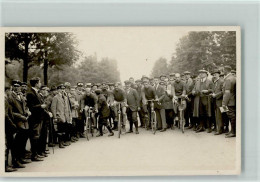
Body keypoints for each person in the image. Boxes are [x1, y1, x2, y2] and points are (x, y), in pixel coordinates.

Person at [26, 77, 46, 162]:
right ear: (36, 83)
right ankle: (34, 155)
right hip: (34, 118)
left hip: (39, 117)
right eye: (39, 82)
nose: (40, 84)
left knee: (37, 136)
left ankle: (36, 153)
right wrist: (40, 106)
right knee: (34, 137)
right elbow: (31, 107)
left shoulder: (35, 92)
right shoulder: (30, 93)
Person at [5, 83, 18, 172]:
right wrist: (12, 124)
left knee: (9, 145)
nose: (11, 91)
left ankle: (9, 164)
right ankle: (6, 166)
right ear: (7, 91)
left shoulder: (6, 99)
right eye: (10, 90)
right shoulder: (5, 99)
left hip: (7, 124)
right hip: (7, 125)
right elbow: (5, 115)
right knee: (8, 146)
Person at [222, 66, 236, 138]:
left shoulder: (228, 79)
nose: (222, 72)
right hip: (232, 100)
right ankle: (232, 131)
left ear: (226, 70)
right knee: (231, 115)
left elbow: (227, 92)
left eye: (223, 70)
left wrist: (224, 103)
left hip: (229, 101)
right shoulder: (233, 77)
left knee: (231, 116)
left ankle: (233, 132)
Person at [210, 69, 224, 135]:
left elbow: (222, 91)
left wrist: (216, 95)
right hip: (215, 100)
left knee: (220, 115)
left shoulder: (221, 81)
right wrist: (212, 93)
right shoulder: (214, 82)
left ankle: (220, 130)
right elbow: (214, 90)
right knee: (217, 115)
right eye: (213, 74)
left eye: (216, 74)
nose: (214, 75)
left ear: (219, 74)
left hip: (220, 101)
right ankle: (219, 128)